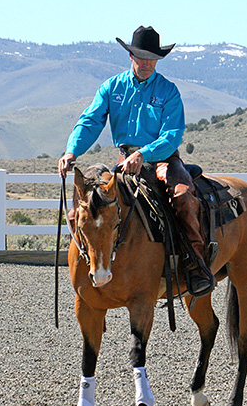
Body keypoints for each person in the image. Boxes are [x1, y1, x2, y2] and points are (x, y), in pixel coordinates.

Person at [58, 25, 215, 297]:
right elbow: (91, 121)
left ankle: (195, 264)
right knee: (87, 207)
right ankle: (92, 260)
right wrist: (72, 151)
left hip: (162, 160)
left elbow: (172, 134)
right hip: (123, 162)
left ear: (157, 60)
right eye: (140, 57)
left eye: (151, 58)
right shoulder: (112, 87)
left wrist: (144, 154)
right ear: (130, 57)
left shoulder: (168, 91)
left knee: (182, 196)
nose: (146, 63)